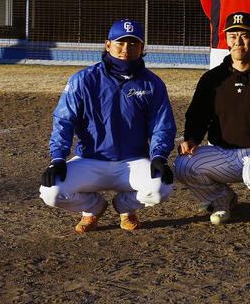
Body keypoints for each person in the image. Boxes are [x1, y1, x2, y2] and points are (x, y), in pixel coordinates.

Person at [39, 20, 175, 233]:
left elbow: (162, 125)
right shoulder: (83, 80)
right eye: (120, 43)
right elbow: (64, 121)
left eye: (133, 44)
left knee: (160, 188)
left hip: (132, 161)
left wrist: (158, 157)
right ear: (107, 44)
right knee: (51, 192)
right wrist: (58, 158)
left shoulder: (152, 83)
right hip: (90, 160)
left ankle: (125, 206)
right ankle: (93, 207)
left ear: (142, 48)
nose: (125, 49)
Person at [175, 12, 250, 227]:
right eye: (233, 35)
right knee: (183, 165)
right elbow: (198, 114)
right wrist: (192, 138)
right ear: (226, 40)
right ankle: (222, 199)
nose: (238, 41)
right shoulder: (213, 78)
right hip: (222, 152)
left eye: (244, 35)